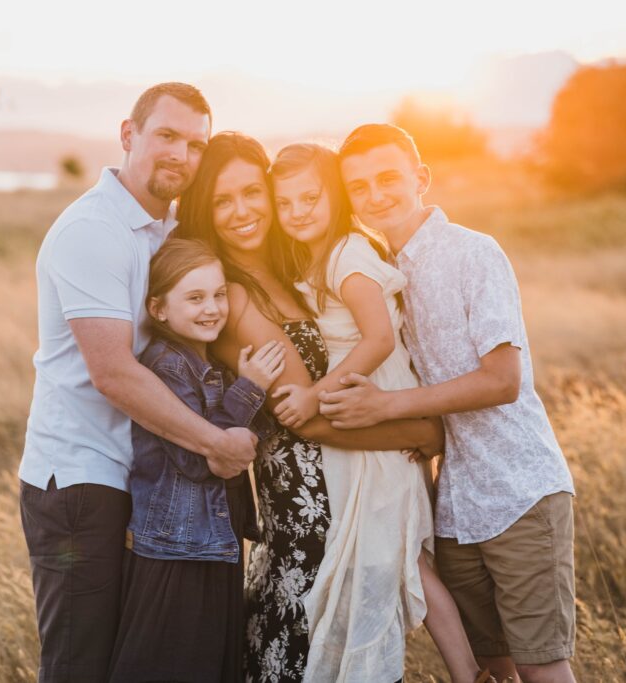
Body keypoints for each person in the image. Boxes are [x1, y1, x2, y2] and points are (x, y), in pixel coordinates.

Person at [173, 132, 444, 683]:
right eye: (223, 201)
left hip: (350, 480)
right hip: (310, 500)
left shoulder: (301, 261)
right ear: (205, 208)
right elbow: (307, 416)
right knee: (304, 653)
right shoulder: (236, 293)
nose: (244, 211)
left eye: (253, 192)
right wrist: (422, 430)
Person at [17, 83, 260, 683]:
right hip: (79, 481)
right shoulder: (93, 231)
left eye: (196, 144)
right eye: (167, 136)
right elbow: (113, 372)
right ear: (129, 135)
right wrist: (215, 442)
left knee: (131, 662)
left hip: (136, 477)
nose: (181, 154)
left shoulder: (162, 231)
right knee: (81, 664)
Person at [321, 123, 577, 683]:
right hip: (455, 505)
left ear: (422, 178)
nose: (375, 195)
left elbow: (502, 380)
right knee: (493, 666)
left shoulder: (473, 253)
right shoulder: (376, 275)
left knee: (541, 668)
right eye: (359, 187)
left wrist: (386, 406)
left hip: (517, 490)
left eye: (387, 178)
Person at [268, 142, 491, 683]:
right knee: (398, 553)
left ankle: (468, 674)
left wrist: (315, 394)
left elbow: (380, 338)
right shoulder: (328, 254)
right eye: (286, 202)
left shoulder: (346, 254)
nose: (298, 211)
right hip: (364, 402)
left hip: (370, 400)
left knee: (400, 553)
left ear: (335, 197)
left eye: (310, 197)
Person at [108, 239, 284, 682]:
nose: (212, 308)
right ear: (159, 308)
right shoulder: (167, 365)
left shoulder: (207, 363)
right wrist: (251, 387)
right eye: (195, 297)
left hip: (209, 544)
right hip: (175, 550)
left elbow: (242, 436)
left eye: (219, 294)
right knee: (173, 666)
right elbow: (198, 458)